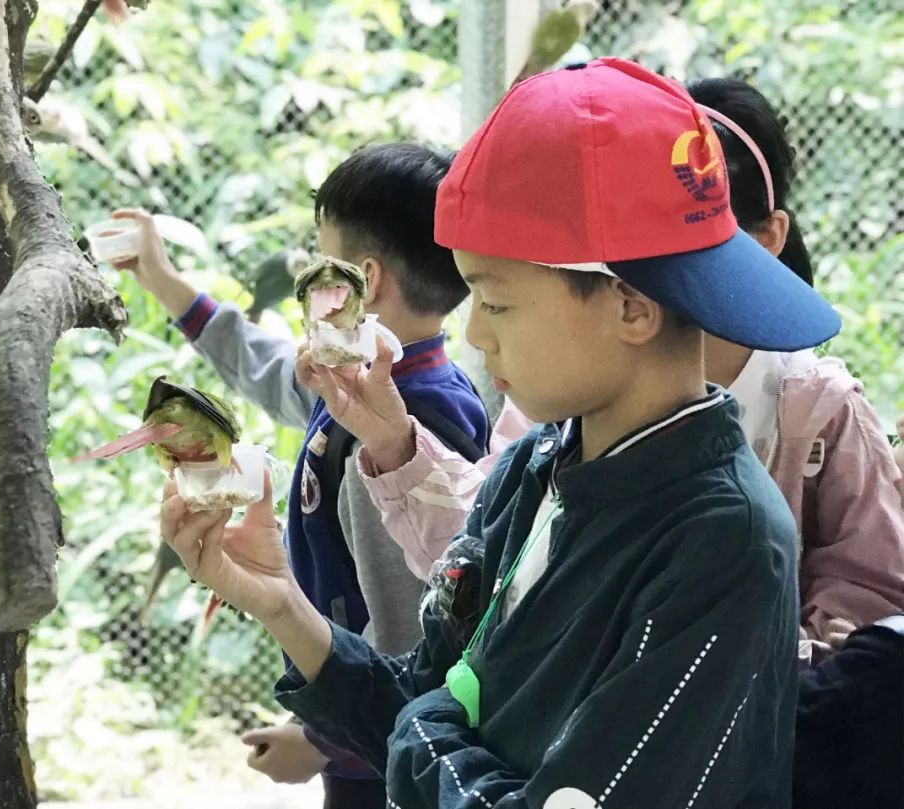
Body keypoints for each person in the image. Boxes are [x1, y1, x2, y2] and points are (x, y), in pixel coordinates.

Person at [160, 58, 842, 807]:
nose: (476, 334)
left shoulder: (723, 541)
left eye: (498, 301)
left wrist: (427, 728)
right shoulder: (536, 466)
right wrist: (281, 601)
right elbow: (425, 690)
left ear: (631, 304)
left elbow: (433, 728)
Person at [322, 76, 904, 665]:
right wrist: (396, 443)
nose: (474, 333)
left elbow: (867, 629)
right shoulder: (554, 417)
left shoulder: (794, 440)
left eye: (495, 303)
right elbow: (485, 567)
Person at [113, 143, 490, 807]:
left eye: (319, 265)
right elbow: (267, 369)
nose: (309, 287)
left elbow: (417, 629)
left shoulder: (410, 429)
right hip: (361, 725)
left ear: (363, 282)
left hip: (390, 753)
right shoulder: (357, 378)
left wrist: (323, 740)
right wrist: (163, 280)